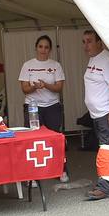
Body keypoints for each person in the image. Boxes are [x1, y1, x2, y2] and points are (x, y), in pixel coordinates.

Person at [19, 34, 69, 184]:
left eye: (46, 47)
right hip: (33, 107)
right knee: (32, 141)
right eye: (40, 46)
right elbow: (24, 89)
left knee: (56, 140)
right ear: (36, 48)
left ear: (50, 50)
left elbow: (59, 88)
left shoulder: (55, 65)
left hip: (52, 106)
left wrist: (45, 85)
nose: (43, 50)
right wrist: (34, 86)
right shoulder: (27, 65)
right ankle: (32, 176)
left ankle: (61, 170)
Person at [82, 29, 109, 202]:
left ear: (100, 42)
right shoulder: (94, 59)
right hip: (98, 114)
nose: (86, 45)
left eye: (90, 41)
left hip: (108, 113)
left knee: (107, 149)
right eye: (84, 42)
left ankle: (104, 188)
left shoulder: (107, 60)